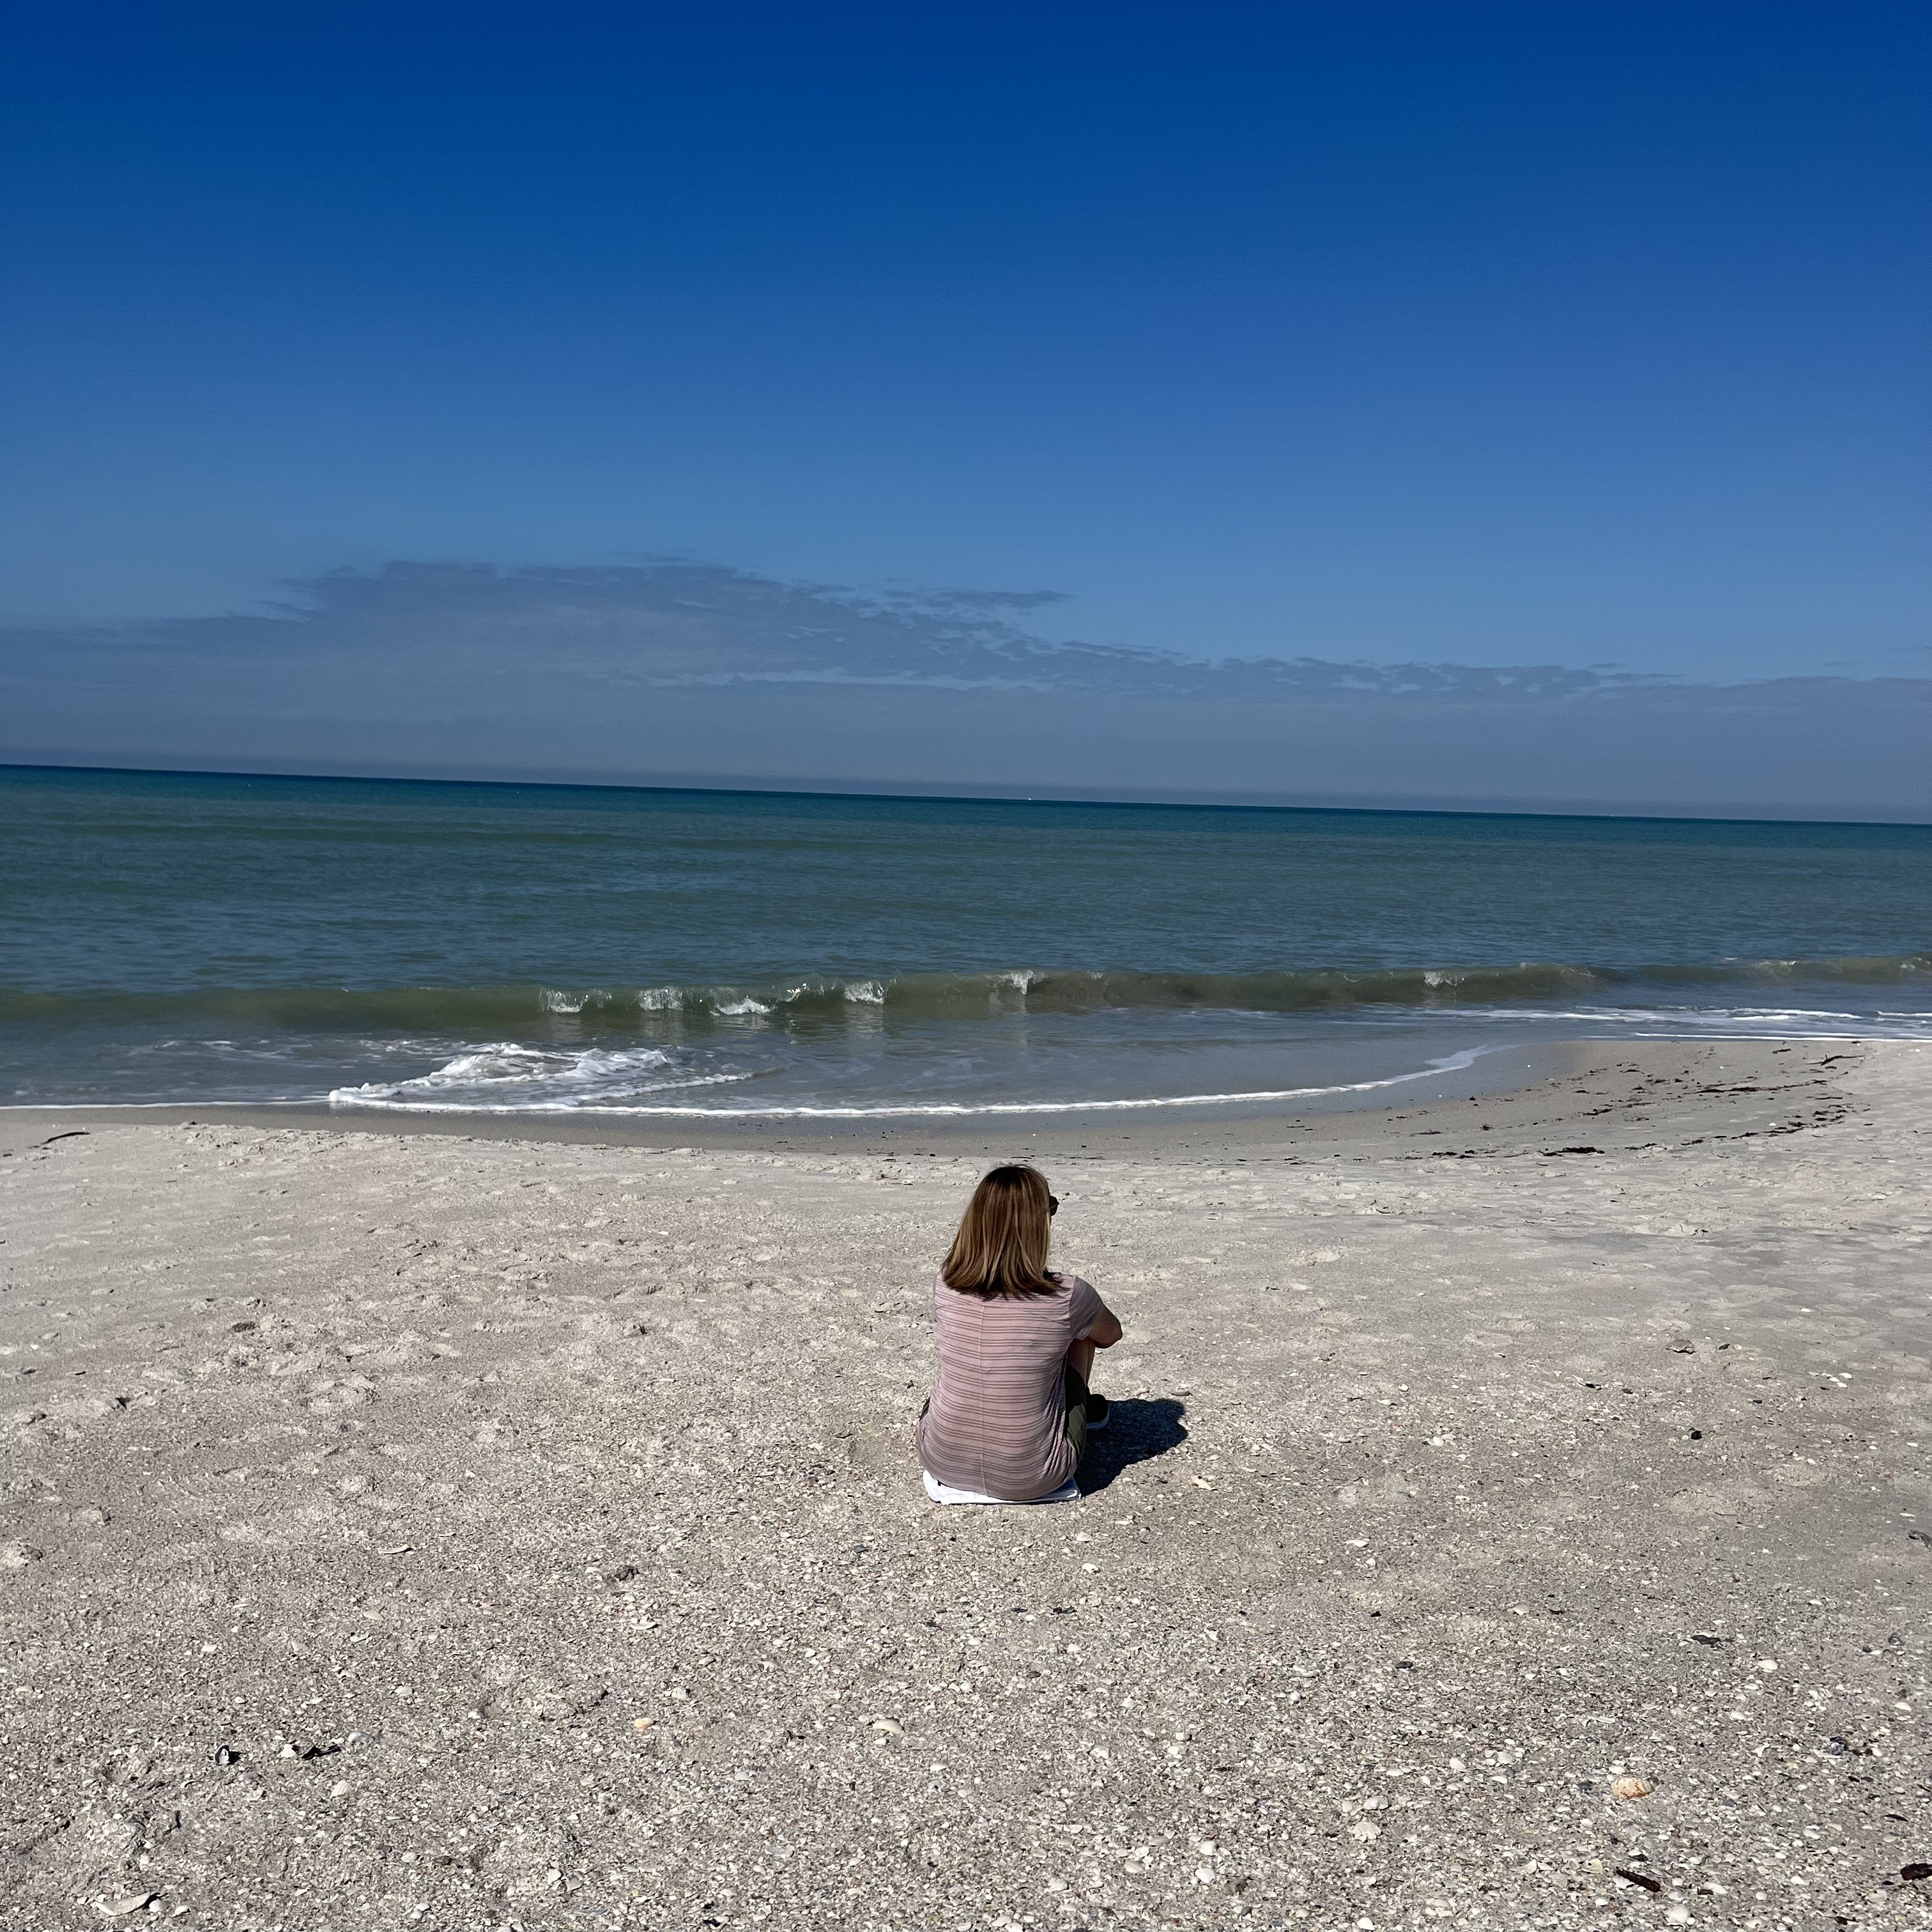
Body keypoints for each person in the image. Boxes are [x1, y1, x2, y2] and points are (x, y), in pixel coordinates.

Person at [916, 1163, 1124, 1502]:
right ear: (1040, 1223)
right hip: (1033, 1476)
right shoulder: (1068, 1294)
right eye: (1051, 1208)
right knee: (1082, 1332)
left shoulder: (946, 1282)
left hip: (941, 1460)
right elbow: (1111, 1334)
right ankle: (1079, 1411)